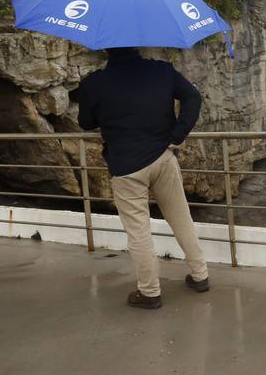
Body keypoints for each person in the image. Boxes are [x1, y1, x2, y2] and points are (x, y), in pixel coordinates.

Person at [77, 47, 209, 309]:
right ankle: (200, 275)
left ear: (107, 48)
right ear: (136, 45)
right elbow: (193, 97)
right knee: (181, 218)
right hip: (163, 157)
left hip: (126, 166)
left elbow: (86, 122)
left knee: (139, 232)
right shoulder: (161, 71)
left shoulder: (96, 83)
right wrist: (177, 136)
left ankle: (149, 292)